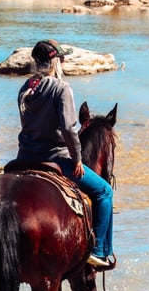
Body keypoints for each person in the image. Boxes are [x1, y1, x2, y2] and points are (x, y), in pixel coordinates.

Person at [16, 39, 114, 269]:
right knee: (104, 191)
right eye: (61, 58)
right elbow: (70, 129)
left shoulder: (26, 88)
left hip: (23, 158)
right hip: (55, 159)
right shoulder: (61, 88)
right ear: (55, 62)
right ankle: (100, 251)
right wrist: (77, 159)